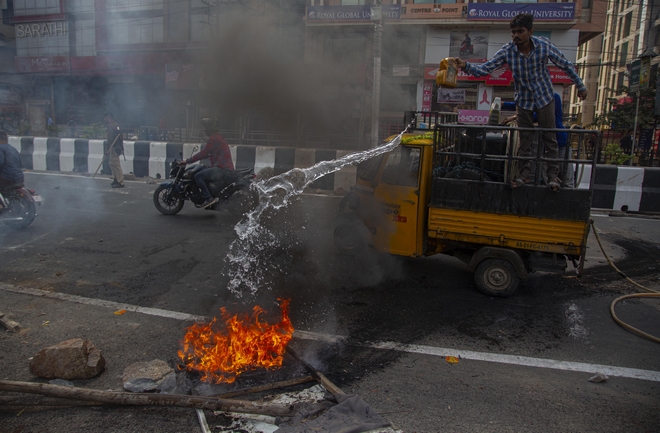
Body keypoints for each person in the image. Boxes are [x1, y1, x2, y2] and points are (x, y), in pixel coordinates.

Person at [455, 13, 587, 191]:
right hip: (524, 101)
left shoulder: (543, 46)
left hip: (544, 97)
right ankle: (525, 175)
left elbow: (565, 65)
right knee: (525, 139)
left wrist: (580, 86)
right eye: (513, 32)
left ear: (530, 31)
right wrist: (465, 65)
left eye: (520, 31)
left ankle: (553, 176)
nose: (516, 35)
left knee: (550, 138)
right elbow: (485, 69)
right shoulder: (508, 51)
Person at [502, 92, 573, 187]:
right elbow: (524, 105)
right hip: (546, 145)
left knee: (566, 178)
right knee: (545, 179)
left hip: (560, 143)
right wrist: (504, 104)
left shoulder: (553, 97)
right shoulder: (534, 97)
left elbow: (540, 114)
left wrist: (515, 116)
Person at [179, 118, 234, 209]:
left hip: (222, 168)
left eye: (205, 127)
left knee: (198, 176)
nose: (204, 130)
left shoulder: (213, 139)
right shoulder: (218, 137)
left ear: (209, 129)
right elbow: (208, 153)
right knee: (202, 169)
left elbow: (203, 153)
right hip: (223, 167)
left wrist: (187, 161)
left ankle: (208, 198)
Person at [0, 130, 24, 209]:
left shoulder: (0, 148)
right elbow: (20, 163)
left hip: (7, 178)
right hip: (19, 177)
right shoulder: (13, 148)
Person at [104, 112, 125, 188]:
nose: (105, 119)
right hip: (117, 147)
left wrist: (107, 150)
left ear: (109, 118)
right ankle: (116, 178)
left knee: (115, 164)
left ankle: (120, 181)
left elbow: (110, 140)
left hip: (114, 148)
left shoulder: (111, 127)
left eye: (106, 118)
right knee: (111, 163)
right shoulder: (117, 126)